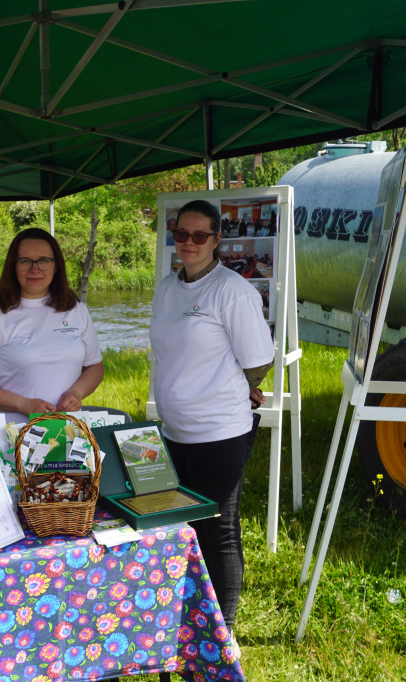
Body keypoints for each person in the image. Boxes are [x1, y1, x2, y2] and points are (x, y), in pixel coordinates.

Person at [149, 199, 274, 638]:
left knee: (218, 528)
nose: (188, 243)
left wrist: (244, 385)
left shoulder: (231, 290)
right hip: (174, 431)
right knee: (181, 524)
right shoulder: (167, 287)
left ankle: (223, 633)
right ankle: (188, 613)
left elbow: (258, 359)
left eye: (199, 236)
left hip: (220, 430)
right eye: (181, 234)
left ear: (217, 240)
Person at [0, 227, 104, 424]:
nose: (35, 269)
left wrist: (76, 392)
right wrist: (23, 404)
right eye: (25, 261)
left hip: (69, 429)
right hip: (13, 433)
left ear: (56, 266)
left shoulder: (76, 309)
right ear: (13, 266)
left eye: (44, 260)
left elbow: (94, 366)